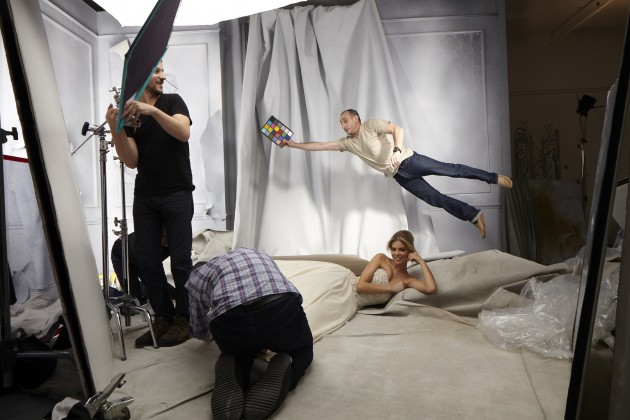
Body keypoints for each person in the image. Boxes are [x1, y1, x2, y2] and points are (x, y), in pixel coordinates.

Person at [281, 109, 513, 239]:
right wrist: (294, 144)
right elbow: (321, 146)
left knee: (452, 170)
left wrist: (397, 150)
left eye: (345, 121)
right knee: (435, 199)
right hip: (399, 175)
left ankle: (493, 178)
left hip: (411, 161)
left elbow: (396, 129)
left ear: (356, 119)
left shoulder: (371, 125)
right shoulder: (347, 143)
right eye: (341, 123)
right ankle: (473, 215)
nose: (343, 125)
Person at [105, 61, 194, 348]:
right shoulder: (131, 115)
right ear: (140, 75)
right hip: (145, 198)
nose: (163, 76)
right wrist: (115, 127)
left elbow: (183, 132)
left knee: (180, 263)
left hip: (177, 193)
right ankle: (163, 318)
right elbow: (131, 160)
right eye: (156, 71)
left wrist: (152, 111)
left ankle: (185, 319)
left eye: (162, 70)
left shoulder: (172, 101)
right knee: (148, 261)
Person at [186, 247, 313, 420]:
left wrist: (212, 335)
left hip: (231, 320)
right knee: (303, 349)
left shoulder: (198, 276)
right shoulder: (253, 252)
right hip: (278, 309)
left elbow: (201, 330)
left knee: (239, 352)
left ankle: (236, 367)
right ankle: (289, 376)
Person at [353, 230, 437, 310]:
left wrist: (421, 261)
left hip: (354, 305)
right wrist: (391, 288)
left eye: (402, 250)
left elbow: (431, 288)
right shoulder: (381, 258)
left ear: (410, 252)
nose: (396, 253)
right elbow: (360, 287)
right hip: (347, 288)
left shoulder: (407, 280)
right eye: (393, 249)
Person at [110, 231, 174, 305]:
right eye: (164, 238)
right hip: (121, 255)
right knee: (134, 297)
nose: (165, 241)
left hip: (139, 256)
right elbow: (152, 275)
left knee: (163, 289)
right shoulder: (148, 244)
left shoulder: (176, 242)